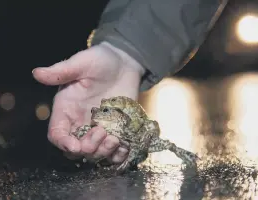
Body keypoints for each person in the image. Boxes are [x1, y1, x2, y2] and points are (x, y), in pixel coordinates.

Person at [32, 0, 228, 164]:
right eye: (97, 111)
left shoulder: (124, 121)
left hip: (138, 132)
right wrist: (123, 53)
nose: (97, 113)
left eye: (105, 111)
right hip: (118, 132)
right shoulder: (97, 122)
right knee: (102, 144)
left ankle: (183, 155)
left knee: (153, 140)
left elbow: (144, 130)